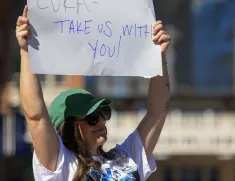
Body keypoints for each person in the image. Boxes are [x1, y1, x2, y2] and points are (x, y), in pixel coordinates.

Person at [16, 5, 171, 181]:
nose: (101, 121)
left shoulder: (125, 159)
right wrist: (26, 52)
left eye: (102, 113)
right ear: (68, 127)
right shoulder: (61, 164)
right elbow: (36, 116)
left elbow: (157, 112)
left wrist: (159, 59)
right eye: (91, 118)